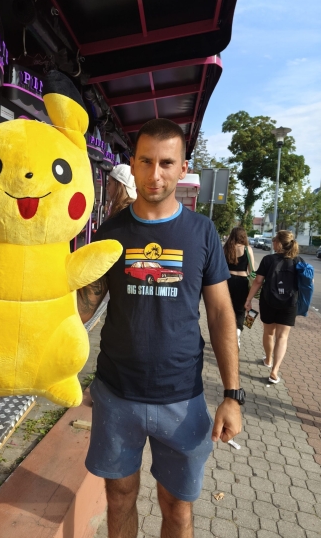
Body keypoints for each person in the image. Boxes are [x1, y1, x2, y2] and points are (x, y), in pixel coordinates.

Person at [77, 118, 242, 538]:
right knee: (119, 497)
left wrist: (232, 395)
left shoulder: (202, 232)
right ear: (132, 163)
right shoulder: (110, 232)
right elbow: (84, 306)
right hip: (116, 394)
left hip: (182, 397)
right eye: (146, 161)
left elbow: (221, 314)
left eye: (166, 163)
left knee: (177, 509)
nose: (155, 174)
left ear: (183, 168)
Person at [245, 230, 300, 384]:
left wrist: (249, 299)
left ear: (279, 243)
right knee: (282, 337)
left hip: (268, 301)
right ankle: (274, 371)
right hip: (289, 303)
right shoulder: (298, 261)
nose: (272, 243)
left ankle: (268, 359)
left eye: (274, 240)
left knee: (269, 333)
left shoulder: (268, 259)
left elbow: (258, 281)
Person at [223, 227, 255, 347]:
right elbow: (252, 270)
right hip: (243, 282)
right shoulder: (247, 249)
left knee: (227, 308)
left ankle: (227, 334)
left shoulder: (226, 248)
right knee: (240, 310)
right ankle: (237, 333)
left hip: (227, 281)